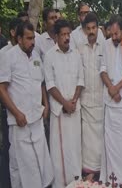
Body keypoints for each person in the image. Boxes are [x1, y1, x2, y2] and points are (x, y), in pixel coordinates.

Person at [0, 21, 54, 188]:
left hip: (37, 119)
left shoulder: (36, 57)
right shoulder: (8, 56)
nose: (32, 42)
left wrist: (46, 105)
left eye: (33, 38)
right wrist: (16, 113)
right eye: (29, 39)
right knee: (22, 167)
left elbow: (41, 84)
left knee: (41, 163)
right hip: (19, 122)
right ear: (19, 39)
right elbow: (2, 89)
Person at [44, 19, 84, 188]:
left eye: (68, 34)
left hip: (74, 109)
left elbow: (81, 80)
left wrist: (73, 100)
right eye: (63, 35)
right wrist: (65, 103)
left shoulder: (76, 54)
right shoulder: (49, 56)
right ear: (56, 37)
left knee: (75, 148)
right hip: (59, 111)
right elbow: (50, 85)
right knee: (60, 152)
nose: (67, 38)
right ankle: (60, 185)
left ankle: (76, 182)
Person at [99, 14, 122, 186]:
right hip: (110, 102)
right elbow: (103, 70)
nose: (114, 38)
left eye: (116, 34)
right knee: (110, 144)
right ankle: (110, 179)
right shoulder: (105, 45)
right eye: (111, 34)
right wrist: (111, 90)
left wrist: (117, 88)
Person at [77, 12, 105, 181]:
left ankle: (102, 171)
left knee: (100, 140)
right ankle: (89, 173)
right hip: (86, 101)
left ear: (98, 28)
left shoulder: (105, 47)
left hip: (101, 100)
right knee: (88, 142)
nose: (92, 31)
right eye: (88, 29)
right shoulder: (79, 49)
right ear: (85, 30)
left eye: (94, 28)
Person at [0, 17, 22, 188]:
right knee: (12, 153)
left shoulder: (30, 54)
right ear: (14, 33)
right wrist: (15, 112)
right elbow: (3, 88)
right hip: (12, 113)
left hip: (30, 115)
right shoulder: (5, 54)